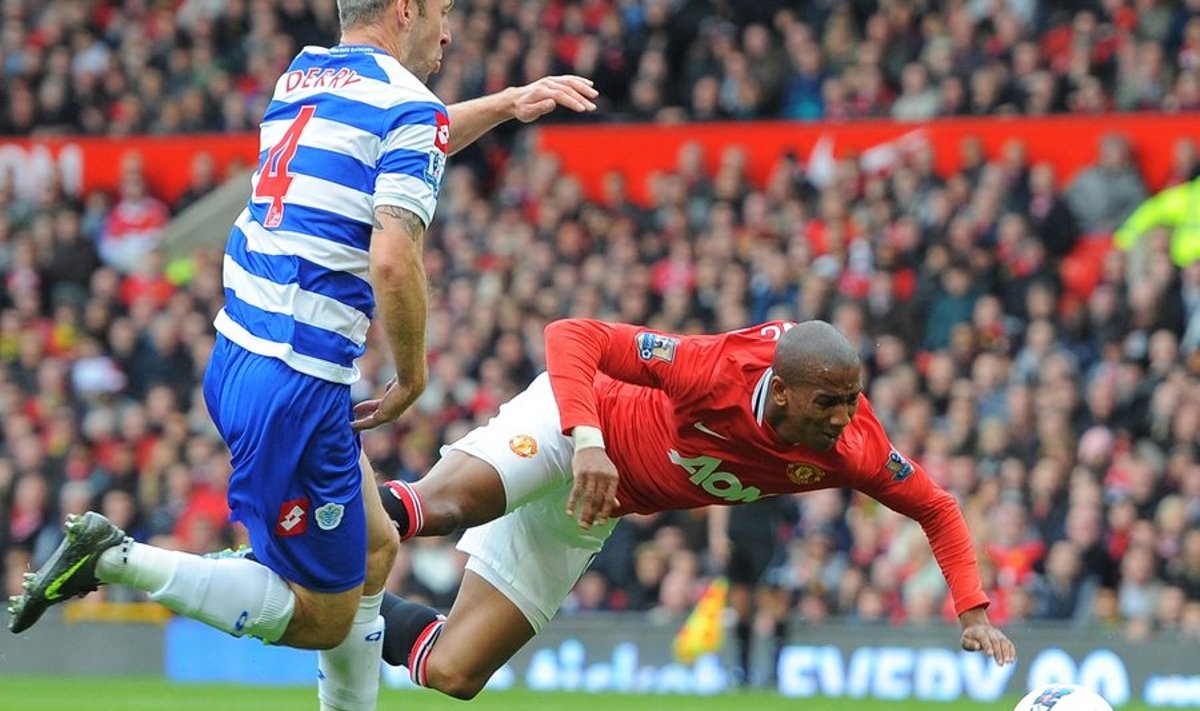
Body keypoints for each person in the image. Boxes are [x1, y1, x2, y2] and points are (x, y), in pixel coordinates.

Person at [7, 2, 598, 710]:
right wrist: (412, 374)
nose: (446, 33)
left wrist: (503, 104)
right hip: (297, 383)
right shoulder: (409, 107)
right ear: (405, 9)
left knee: (376, 547)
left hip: (239, 353)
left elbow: (417, 134)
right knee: (325, 615)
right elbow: (393, 257)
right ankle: (113, 557)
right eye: (440, 12)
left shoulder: (305, 74)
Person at [371, 318, 1018, 699]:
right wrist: (589, 439)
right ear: (783, 392)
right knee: (439, 507)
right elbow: (572, 334)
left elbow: (936, 506)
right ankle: (301, 508)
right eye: (828, 402)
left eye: (853, 398)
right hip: (571, 424)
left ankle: (347, 615)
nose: (844, 417)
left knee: (453, 670)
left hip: (594, 504)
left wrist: (974, 611)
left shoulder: (852, 449)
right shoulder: (716, 371)